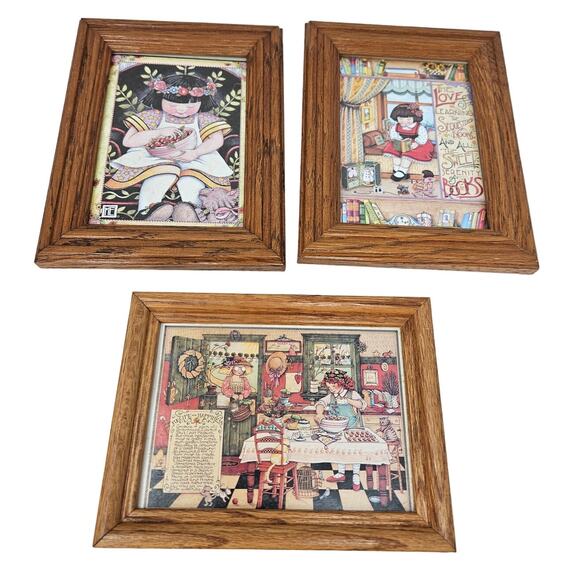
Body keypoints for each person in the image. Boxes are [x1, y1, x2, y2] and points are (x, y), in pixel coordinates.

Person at [105, 71, 233, 221]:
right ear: (160, 98)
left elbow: (216, 140)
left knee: (190, 180)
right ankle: (148, 210)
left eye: (190, 105)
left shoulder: (204, 119)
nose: (181, 110)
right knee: (162, 174)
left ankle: (191, 211)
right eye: (173, 105)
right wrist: (158, 132)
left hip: (194, 158)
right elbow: (129, 141)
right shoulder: (153, 116)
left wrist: (196, 152)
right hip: (153, 157)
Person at [315, 369, 367, 491]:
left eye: (334, 386)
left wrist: (348, 401)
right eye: (329, 387)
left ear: (342, 383)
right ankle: (341, 473)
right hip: (338, 429)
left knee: (355, 452)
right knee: (340, 450)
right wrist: (319, 413)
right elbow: (321, 403)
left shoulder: (352, 394)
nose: (331, 389)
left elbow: (362, 405)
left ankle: (356, 475)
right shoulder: (331, 396)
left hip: (353, 428)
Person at [383, 103, 434, 182]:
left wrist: (416, 143)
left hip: (416, 144)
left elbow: (423, 138)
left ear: (415, 118)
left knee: (409, 153)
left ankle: (402, 170)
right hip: (401, 142)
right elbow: (393, 135)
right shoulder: (395, 126)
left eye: (408, 119)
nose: (404, 121)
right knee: (393, 149)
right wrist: (398, 140)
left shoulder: (419, 127)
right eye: (401, 119)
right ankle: (396, 169)